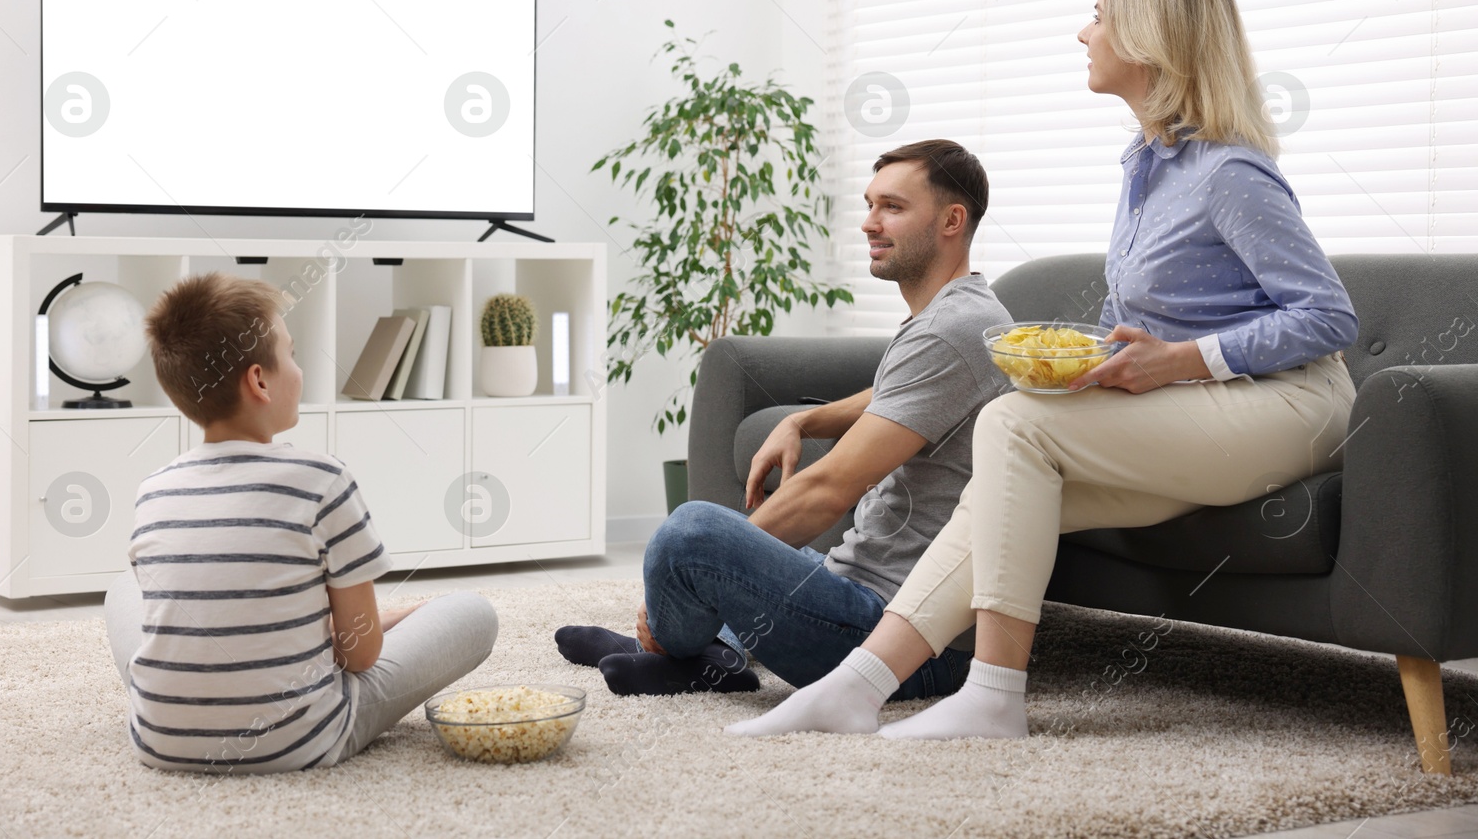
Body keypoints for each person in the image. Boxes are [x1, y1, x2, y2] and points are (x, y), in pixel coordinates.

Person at [727, 0, 1359, 740]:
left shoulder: (1229, 171)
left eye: (1100, 14)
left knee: (1012, 423)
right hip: (1218, 403)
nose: (1083, 31)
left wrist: (1178, 361)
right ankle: (857, 684)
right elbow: (1170, 321)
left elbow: (1329, 317)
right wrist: (1111, 362)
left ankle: (994, 695)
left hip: (1297, 402)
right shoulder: (1147, 167)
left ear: (1151, 35)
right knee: (1004, 476)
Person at [555, 139, 1015, 699]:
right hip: (859, 590)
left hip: (899, 640)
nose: (870, 223)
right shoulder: (956, 315)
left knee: (691, 533)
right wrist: (805, 421)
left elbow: (826, 491)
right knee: (769, 552)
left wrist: (668, 591)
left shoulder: (951, 328)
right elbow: (893, 394)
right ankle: (711, 656)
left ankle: (671, 641)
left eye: (892, 207)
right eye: (869, 205)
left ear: (952, 219)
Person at [103, 271, 498, 773]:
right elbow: (360, 656)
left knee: (123, 589)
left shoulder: (153, 489)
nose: (300, 367)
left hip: (162, 742)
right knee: (472, 613)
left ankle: (180, 700)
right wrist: (367, 624)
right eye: (292, 353)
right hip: (298, 741)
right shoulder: (323, 479)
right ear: (259, 381)